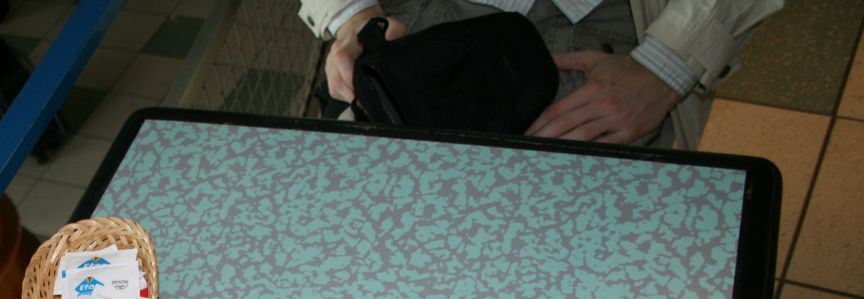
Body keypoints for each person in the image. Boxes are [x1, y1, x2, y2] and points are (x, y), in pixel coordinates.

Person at [298, 0, 785, 150]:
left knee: (572, 290)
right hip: (420, 21)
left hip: (615, 38)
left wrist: (668, 64)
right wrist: (351, 13)